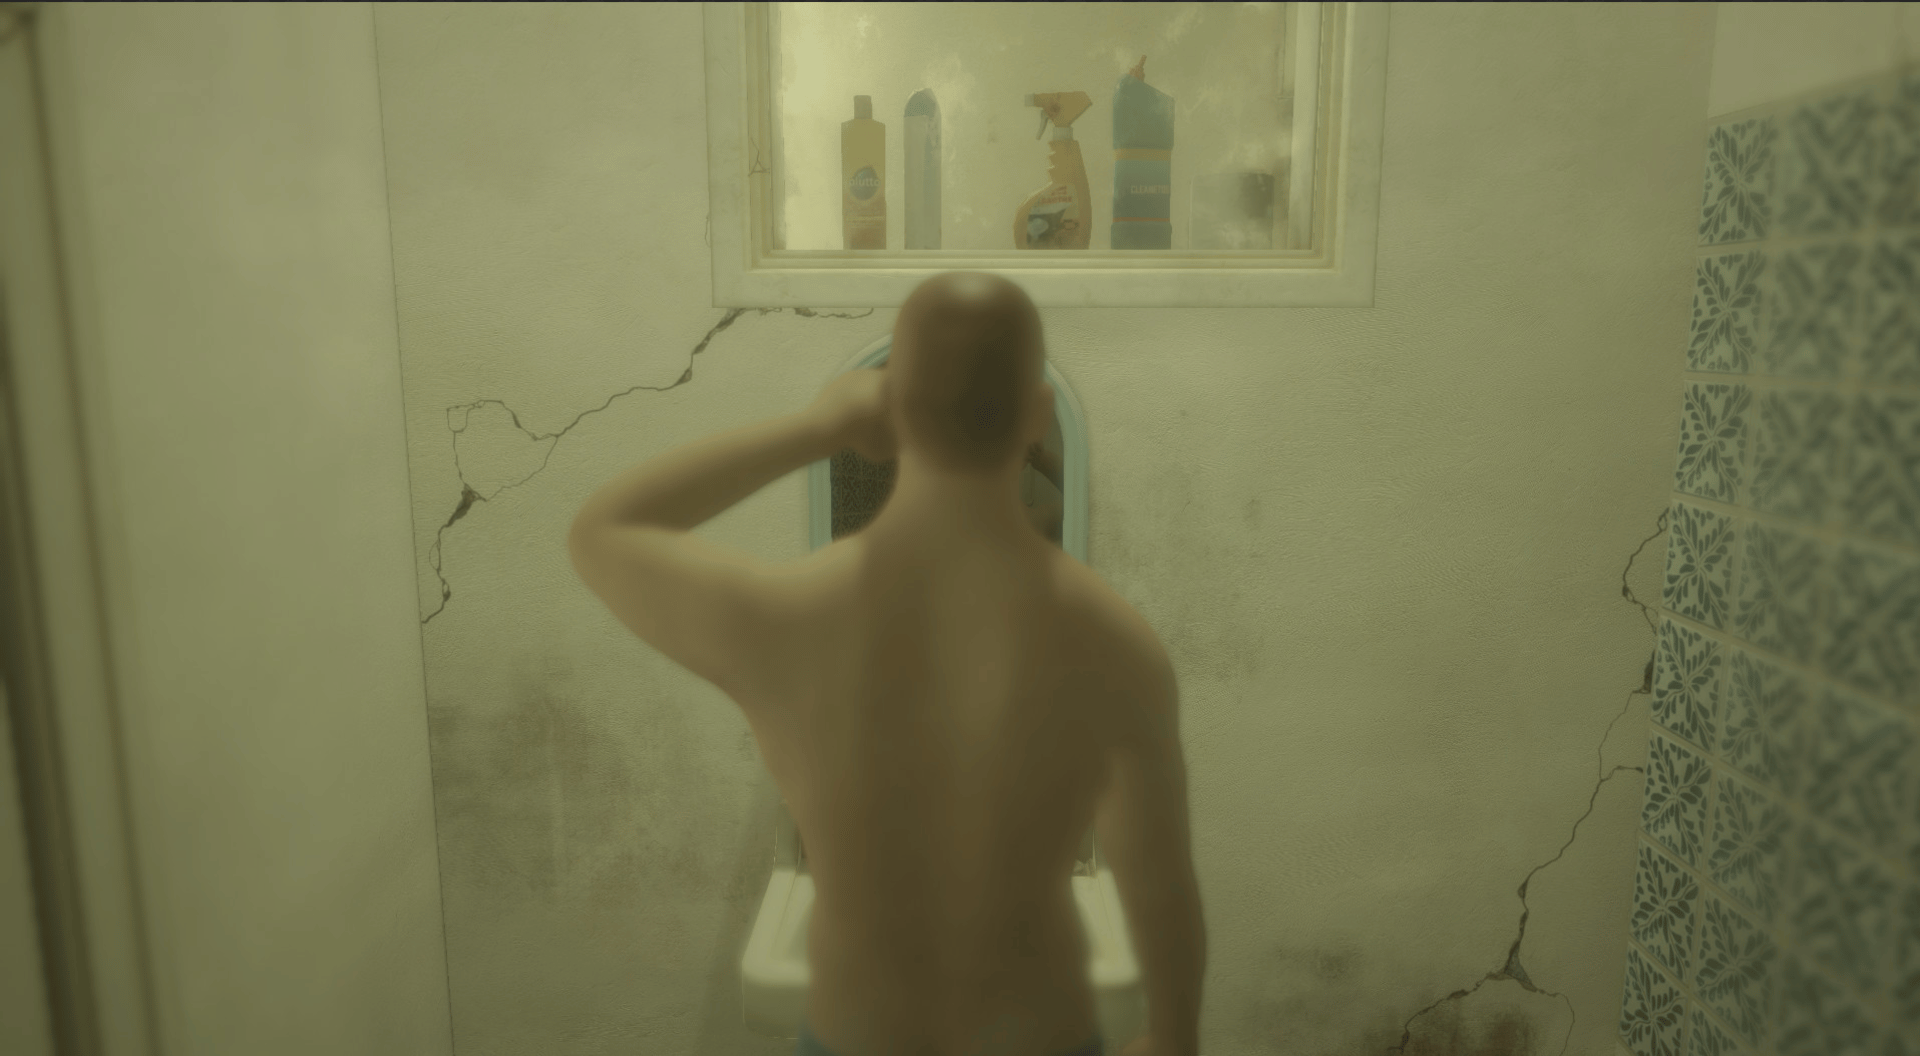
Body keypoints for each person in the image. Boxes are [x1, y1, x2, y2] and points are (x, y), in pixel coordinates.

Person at [570, 271, 1205, 1056]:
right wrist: (1173, 1038)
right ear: (1041, 412)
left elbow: (604, 531)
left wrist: (817, 428)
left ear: (889, 405)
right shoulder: (1116, 645)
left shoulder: (792, 619)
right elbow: (1160, 886)